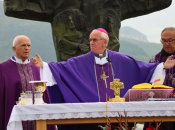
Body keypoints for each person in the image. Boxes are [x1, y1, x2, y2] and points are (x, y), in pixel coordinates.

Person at [32, 28, 175, 130]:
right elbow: (61, 69)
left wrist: (162, 65)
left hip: (118, 113)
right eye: (90, 40)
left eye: (95, 40)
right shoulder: (80, 61)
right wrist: (44, 65)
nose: (91, 43)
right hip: (90, 115)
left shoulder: (120, 59)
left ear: (105, 42)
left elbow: (142, 68)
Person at [4, 0, 172, 61]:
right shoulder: (55, 2)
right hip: (70, 80)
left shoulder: (117, 2)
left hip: (108, 80)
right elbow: (13, 4)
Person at [0, 35, 55, 130]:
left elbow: (44, 92)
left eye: (29, 46)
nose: (26, 48)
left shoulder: (37, 67)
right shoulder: (4, 68)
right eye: (23, 45)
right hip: (16, 118)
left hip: (37, 117)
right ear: (14, 48)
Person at [143, 27, 175, 130]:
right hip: (157, 107)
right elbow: (146, 82)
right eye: (164, 40)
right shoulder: (154, 60)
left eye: (170, 40)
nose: (167, 43)